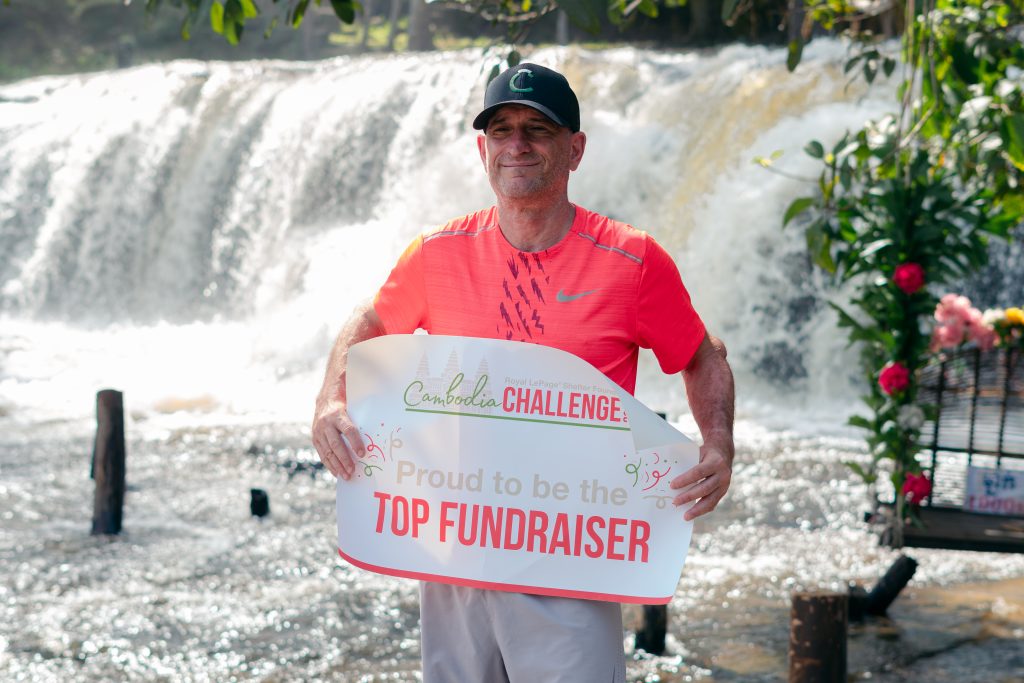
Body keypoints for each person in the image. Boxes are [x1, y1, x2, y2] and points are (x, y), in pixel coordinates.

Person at [312, 62, 735, 683]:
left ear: (575, 149)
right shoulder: (436, 253)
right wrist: (330, 400)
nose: (518, 145)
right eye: (502, 130)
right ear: (483, 148)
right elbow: (369, 322)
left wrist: (718, 444)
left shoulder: (632, 260)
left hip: (571, 548)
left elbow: (703, 355)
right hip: (451, 545)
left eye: (538, 129)